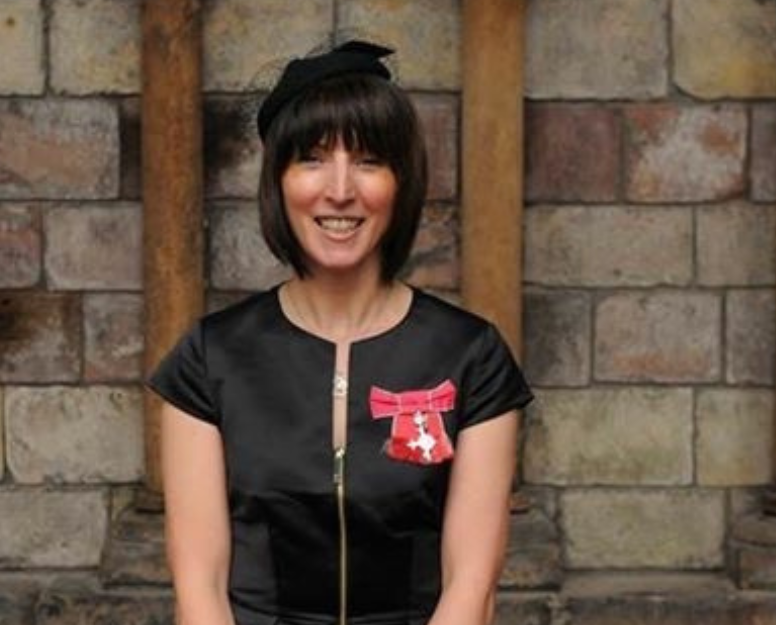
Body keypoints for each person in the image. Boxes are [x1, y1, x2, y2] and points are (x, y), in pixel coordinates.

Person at [149, 41, 533, 625]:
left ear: (400, 181)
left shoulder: (470, 357)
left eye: (368, 161)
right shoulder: (210, 359)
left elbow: (471, 584)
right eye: (312, 159)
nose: (340, 189)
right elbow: (200, 585)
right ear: (278, 180)